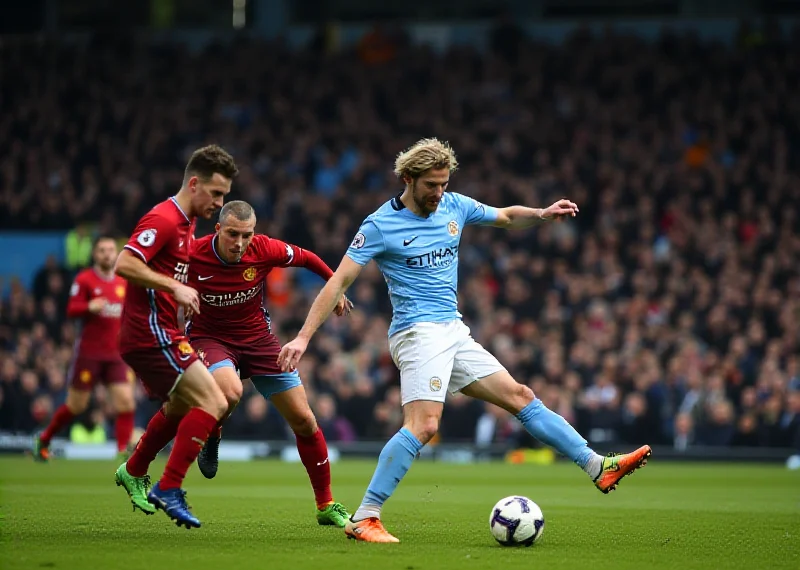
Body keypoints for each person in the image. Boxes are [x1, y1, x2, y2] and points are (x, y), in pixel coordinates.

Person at [279, 138, 652, 543]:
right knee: (423, 426)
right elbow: (339, 281)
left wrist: (542, 214)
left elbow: (507, 217)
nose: (439, 193)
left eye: (443, 183)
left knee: (521, 396)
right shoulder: (379, 225)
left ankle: (598, 466)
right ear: (408, 179)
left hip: (453, 331)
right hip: (417, 334)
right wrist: (302, 337)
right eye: (431, 186)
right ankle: (366, 516)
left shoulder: (454, 205)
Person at [186, 200, 352, 527]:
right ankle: (213, 434)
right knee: (228, 392)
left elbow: (307, 258)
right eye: (232, 234)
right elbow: (152, 266)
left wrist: (336, 285)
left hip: (259, 342)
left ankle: (325, 504)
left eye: (246, 235)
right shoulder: (194, 253)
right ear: (218, 229)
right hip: (210, 339)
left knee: (304, 419)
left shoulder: (263, 249)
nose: (239, 242)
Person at [112, 145, 238, 529]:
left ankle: (135, 470)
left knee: (187, 407)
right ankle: (168, 486)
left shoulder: (187, 224)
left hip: (163, 331)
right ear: (195, 183)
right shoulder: (165, 218)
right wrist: (175, 287)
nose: (220, 202)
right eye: (216, 193)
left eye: (224, 195)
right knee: (216, 400)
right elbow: (124, 263)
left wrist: (180, 297)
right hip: (149, 334)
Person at [34, 237, 135, 460]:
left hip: (116, 354)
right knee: (76, 406)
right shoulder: (85, 279)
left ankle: (122, 455)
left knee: (126, 401)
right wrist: (88, 306)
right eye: (102, 250)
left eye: (111, 250)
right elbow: (71, 309)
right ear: (95, 255)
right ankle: (44, 439)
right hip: (90, 354)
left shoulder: (124, 281)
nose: (107, 254)